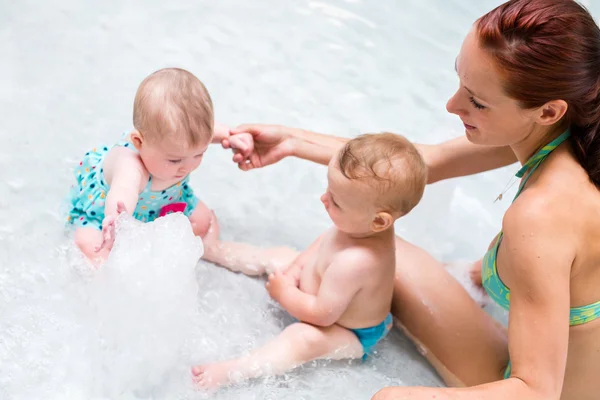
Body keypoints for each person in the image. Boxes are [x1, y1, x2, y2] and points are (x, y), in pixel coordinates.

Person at [222, 1, 600, 398]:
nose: (452, 106)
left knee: (373, 253)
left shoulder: (540, 217)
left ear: (548, 111)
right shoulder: (570, 125)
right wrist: (293, 141)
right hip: (564, 357)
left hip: (552, 390)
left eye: (478, 102)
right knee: (378, 251)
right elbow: (426, 162)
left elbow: (537, 392)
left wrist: (401, 396)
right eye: (460, 79)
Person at [193, 133, 427, 389]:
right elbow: (322, 243)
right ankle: (211, 249)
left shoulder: (358, 261)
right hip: (324, 294)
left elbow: (321, 315)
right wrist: (295, 269)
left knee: (302, 339)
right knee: (279, 255)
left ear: (379, 221)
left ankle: (234, 371)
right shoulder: (362, 225)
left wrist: (284, 293)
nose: (323, 199)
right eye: (329, 190)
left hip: (349, 331)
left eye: (335, 200)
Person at [66, 67, 252, 264]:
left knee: (204, 221)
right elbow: (123, 190)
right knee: (89, 245)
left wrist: (231, 136)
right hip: (108, 212)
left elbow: (205, 132)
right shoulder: (130, 164)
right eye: (174, 160)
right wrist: (115, 219)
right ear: (139, 142)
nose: (187, 167)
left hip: (165, 202)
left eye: (199, 154)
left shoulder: (178, 145)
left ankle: (211, 249)